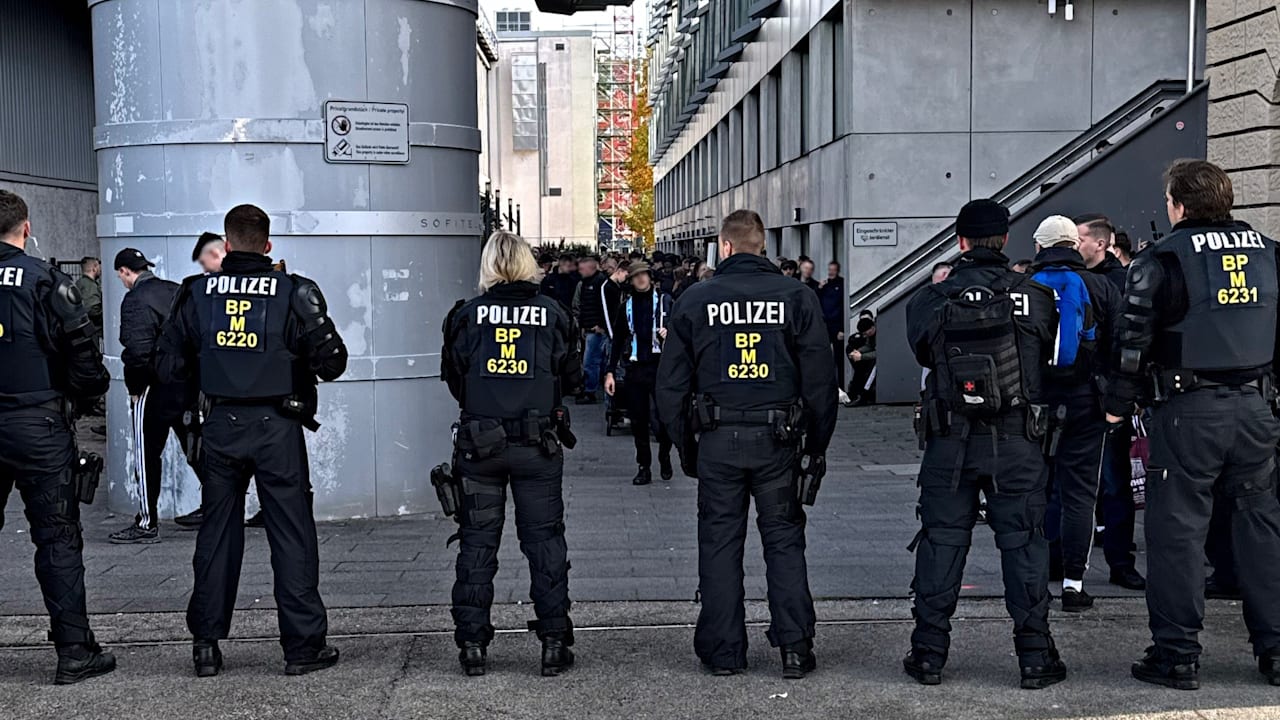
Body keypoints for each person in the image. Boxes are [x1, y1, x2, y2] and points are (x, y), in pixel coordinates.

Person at [1104, 160, 1280, 689]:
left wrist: (1117, 405)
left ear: (1179, 205)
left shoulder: (1162, 259)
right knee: (1261, 529)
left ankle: (1176, 654)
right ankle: (1275, 650)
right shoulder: (1270, 253)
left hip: (1187, 412)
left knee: (1177, 533)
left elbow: (1132, 343)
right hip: (1256, 410)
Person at [156, 204, 347, 678]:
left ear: (226, 245)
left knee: (217, 532)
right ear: (267, 245)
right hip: (277, 426)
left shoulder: (195, 292)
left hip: (220, 424)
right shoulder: (293, 291)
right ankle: (302, 647)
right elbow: (333, 362)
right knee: (291, 534)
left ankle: (205, 645)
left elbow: (168, 366)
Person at [656, 209, 838, 679]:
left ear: (725, 246)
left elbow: (670, 387)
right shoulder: (796, 296)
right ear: (762, 246)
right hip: (778, 440)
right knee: (784, 541)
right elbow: (821, 382)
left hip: (718, 439)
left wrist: (686, 447)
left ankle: (723, 652)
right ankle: (795, 647)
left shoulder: (696, 299)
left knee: (719, 543)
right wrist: (815, 447)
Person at [905, 199, 1066, 689]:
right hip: (1017, 440)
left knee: (941, 542)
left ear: (960, 241)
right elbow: (1051, 356)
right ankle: (1035, 656)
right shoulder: (1036, 296)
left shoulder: (930, 299)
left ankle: (928, 654)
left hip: (949, 439)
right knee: (1024, 543)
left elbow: (923, 352)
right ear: (1006, 239)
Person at [440, 230, 582, 677]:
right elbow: (572, 377)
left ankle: (472, 644)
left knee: (476, 543)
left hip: (480, 446)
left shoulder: (466, 316)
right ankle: (554, 641)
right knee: (545, 543)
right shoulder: (554, 313)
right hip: (537, 446)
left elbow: (455, 377)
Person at [0, 190, 116, 684]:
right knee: (58, 539)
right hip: (39, 425)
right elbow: (84, 359)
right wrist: (83, 395)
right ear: (25, 228)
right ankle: (74, 652)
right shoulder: (46, 281)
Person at [1027, 216, 1127, 605]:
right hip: (1087, 401)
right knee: (1080, 493)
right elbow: (1120, 346)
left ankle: (1034, 577)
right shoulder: (1100, 286)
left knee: (1034, 488)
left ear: (1040, 246)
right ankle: (1073, 583)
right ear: (1073, 245)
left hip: (1035, 403)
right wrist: (1116, 402)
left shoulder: (1025, 286)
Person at [109, 248, 194, 544]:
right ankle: (219, 508)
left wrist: (135, 389)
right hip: (186, 384)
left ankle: (147, 522)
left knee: (146, 456)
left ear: (124, 271)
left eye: (120, 275)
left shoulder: (135, 300)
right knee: (196, 449)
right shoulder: (175, 290)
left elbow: (137, 351)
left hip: (154, 387)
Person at [1080, 216, 1143, 588]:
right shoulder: (1083, 278)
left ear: (1101, 244)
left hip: (1106, 394)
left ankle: (1120, 561)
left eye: (1081, 239)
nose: (1075, 245)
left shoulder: (1120, 282)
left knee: (1115, 482)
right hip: (1089, 390)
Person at [605, 262, 674, 485]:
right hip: (635, 368)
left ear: (650, 277)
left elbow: (682, 332)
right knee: (638, 420)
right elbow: (617, 340)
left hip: (660, 368)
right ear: (631, 281)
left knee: (664, 419)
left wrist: (669, 333)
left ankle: (664, 454)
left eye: (644, 275)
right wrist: (610, 372)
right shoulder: (626, 306)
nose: (641, 279)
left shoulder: (665, 302)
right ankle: (644, 466)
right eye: (636, 276)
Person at [572, 255, 609, 404]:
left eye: (582, 269)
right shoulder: (587, 283)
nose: (579, 271)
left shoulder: (600, 283)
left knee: (590, 362)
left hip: (596, 329)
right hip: (590, 327)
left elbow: (605, 306)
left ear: (590, 268)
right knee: (595, 361)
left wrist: (601, 325)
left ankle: (590, 391)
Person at [818, 261, 847, 390]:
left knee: (839, 358)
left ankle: (841, 385)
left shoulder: (842, 284)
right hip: (825, 325)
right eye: (829, 270)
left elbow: (843, 307)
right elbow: (817, 301)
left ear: (837, 270)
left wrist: (842, 328)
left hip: (837, 325)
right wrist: (819, 288)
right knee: (823, 356)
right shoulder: (825, 285)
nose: (831, 272)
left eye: (833, 270)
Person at [846, 314, 877, 405]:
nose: (865, 335)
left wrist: (861, 356)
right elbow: (869, 346)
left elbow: (879, 353)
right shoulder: (871, 335)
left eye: (865, 333)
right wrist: (858, 351)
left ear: (872, 328)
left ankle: (863, 395)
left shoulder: (880, 333)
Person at [75, 257, 103, 341]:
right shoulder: (89, 285)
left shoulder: (80, 283)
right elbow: (93, 310)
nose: (100, 269)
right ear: (94, 268)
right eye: (99, 266)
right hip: (92, 332)